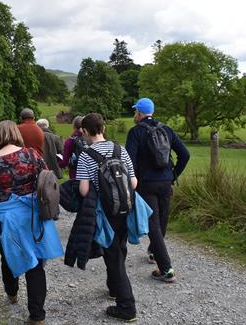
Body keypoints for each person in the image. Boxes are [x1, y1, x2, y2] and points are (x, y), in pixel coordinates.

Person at [0, 120, 63, 325]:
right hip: (31, 215)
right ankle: (37, 315)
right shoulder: (31, 155)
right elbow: (46, 180)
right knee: (35, 263)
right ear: (16, 134)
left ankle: (12, 292)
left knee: (7, 256)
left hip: (2, 218)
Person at [76, 113, 138, 322]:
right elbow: (134, 182)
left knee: (113, 257)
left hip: (104, 212)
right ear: (102, 128)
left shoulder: (86, 155)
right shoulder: (121, 150)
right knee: (119, 248)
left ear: (85, 131)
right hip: (125, 208)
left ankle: (126, 306)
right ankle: (114, 289)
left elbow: (84, 190)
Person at [125, 97, 190, 283]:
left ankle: (166, 269)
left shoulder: (136, 132)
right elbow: (185, 154)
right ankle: (154, 252)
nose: (134, 115)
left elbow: (130, 161)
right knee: (162, 219)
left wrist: (132, 183)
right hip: (165, 181)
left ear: (139, 112)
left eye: (135, 111)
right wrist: (174, 174)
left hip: (146, 183)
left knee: (153, 224)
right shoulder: (167, 129)